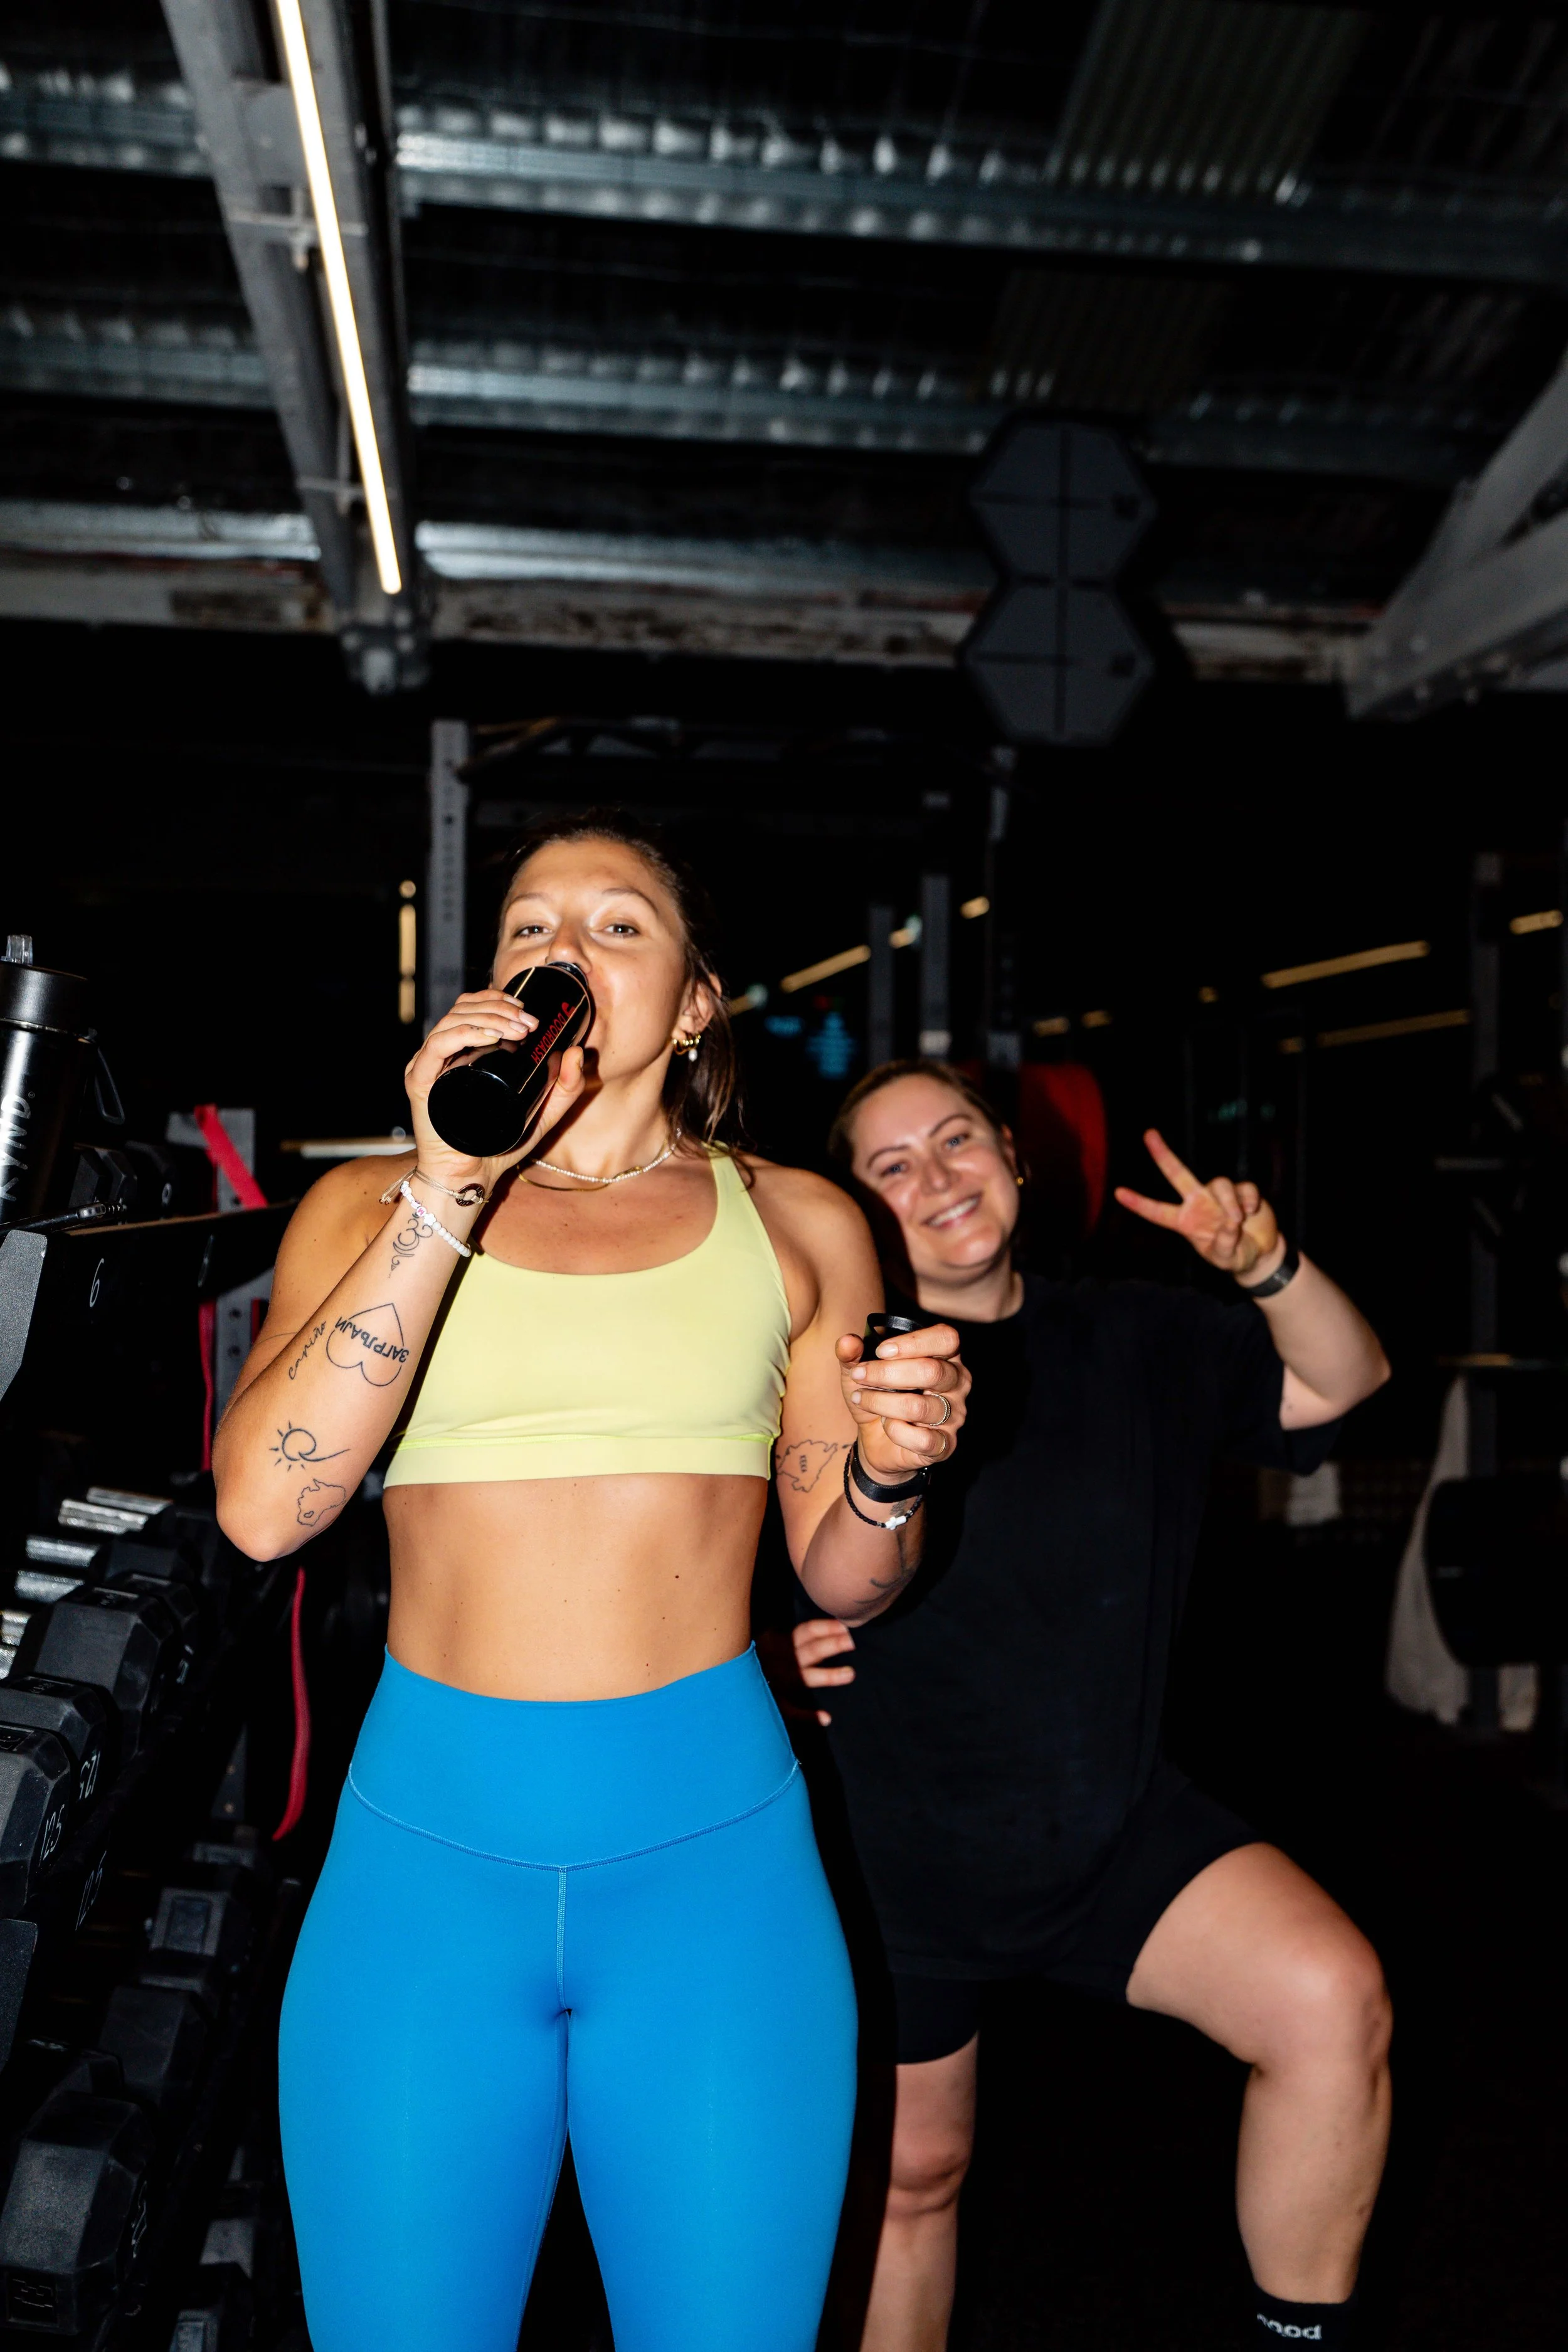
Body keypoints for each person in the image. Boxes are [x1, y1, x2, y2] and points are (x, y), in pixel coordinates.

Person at [211, 818, 970, 2352]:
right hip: (424, 1871)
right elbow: (265, 1511)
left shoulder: (801, 1223)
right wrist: (445, 1180)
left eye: (618, 926)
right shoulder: (368, 1211)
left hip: (715, 1880)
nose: (565, 946)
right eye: (529, 927)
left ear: (694, 1001)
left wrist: (888, 1478)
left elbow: (848, 1576)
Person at [787, 1059, 1392, 2352]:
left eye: (955, 1141)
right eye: (889, 1168)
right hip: (901, 1855)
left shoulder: (1139, 1335)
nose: (935, 1177)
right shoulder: (832, 1373)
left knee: (1328, 2002)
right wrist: (762, 1646)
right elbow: (719, 1540)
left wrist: (1268, 1266)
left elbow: (1342, 1381)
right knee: (914, 2184)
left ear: (1011, 1155)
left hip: (1111, 1826)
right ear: (853, 1211)